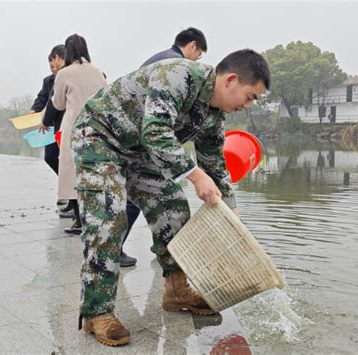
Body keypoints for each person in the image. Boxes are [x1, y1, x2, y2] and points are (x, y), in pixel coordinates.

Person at [71, 49, 270, 346]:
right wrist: (195, 175)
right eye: (250, 96)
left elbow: (215, 165)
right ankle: (97, 312)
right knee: (109, 217)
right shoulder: (178, 76)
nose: (248, 105)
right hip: (100, 138)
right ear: (230, 80)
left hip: (139, 152)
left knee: (173, 208)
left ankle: (176, 291)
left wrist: (233, 213)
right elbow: (156, 132)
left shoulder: (214, 117)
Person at [120, 27, 208, 267]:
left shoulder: (161, 58)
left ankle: (162, 241)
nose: (196, 62)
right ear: (192, 46)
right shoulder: (176, 65)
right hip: (146, 138)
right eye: (198, 55)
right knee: (147, 193)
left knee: (159, 190)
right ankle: (117, 248)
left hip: (141, 136)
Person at [51, 34, 106, 235]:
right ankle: (96, 217)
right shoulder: (98, 73)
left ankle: (79, 221)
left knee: (69, 173)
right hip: (97, 127)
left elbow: (58, 104)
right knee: (95, 172)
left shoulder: (64, 74)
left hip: (74, 125)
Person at [30, 45, 66, 206]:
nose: (53, 68)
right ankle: (66, 185)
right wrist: (35, 109)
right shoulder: (48, 81)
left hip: (66, 125)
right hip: (51, 127)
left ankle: (68, 193)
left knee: (67, 161)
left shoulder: (67, 77)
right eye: (50, 66)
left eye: (54, 63)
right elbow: (42, 98)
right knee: (50, 157)